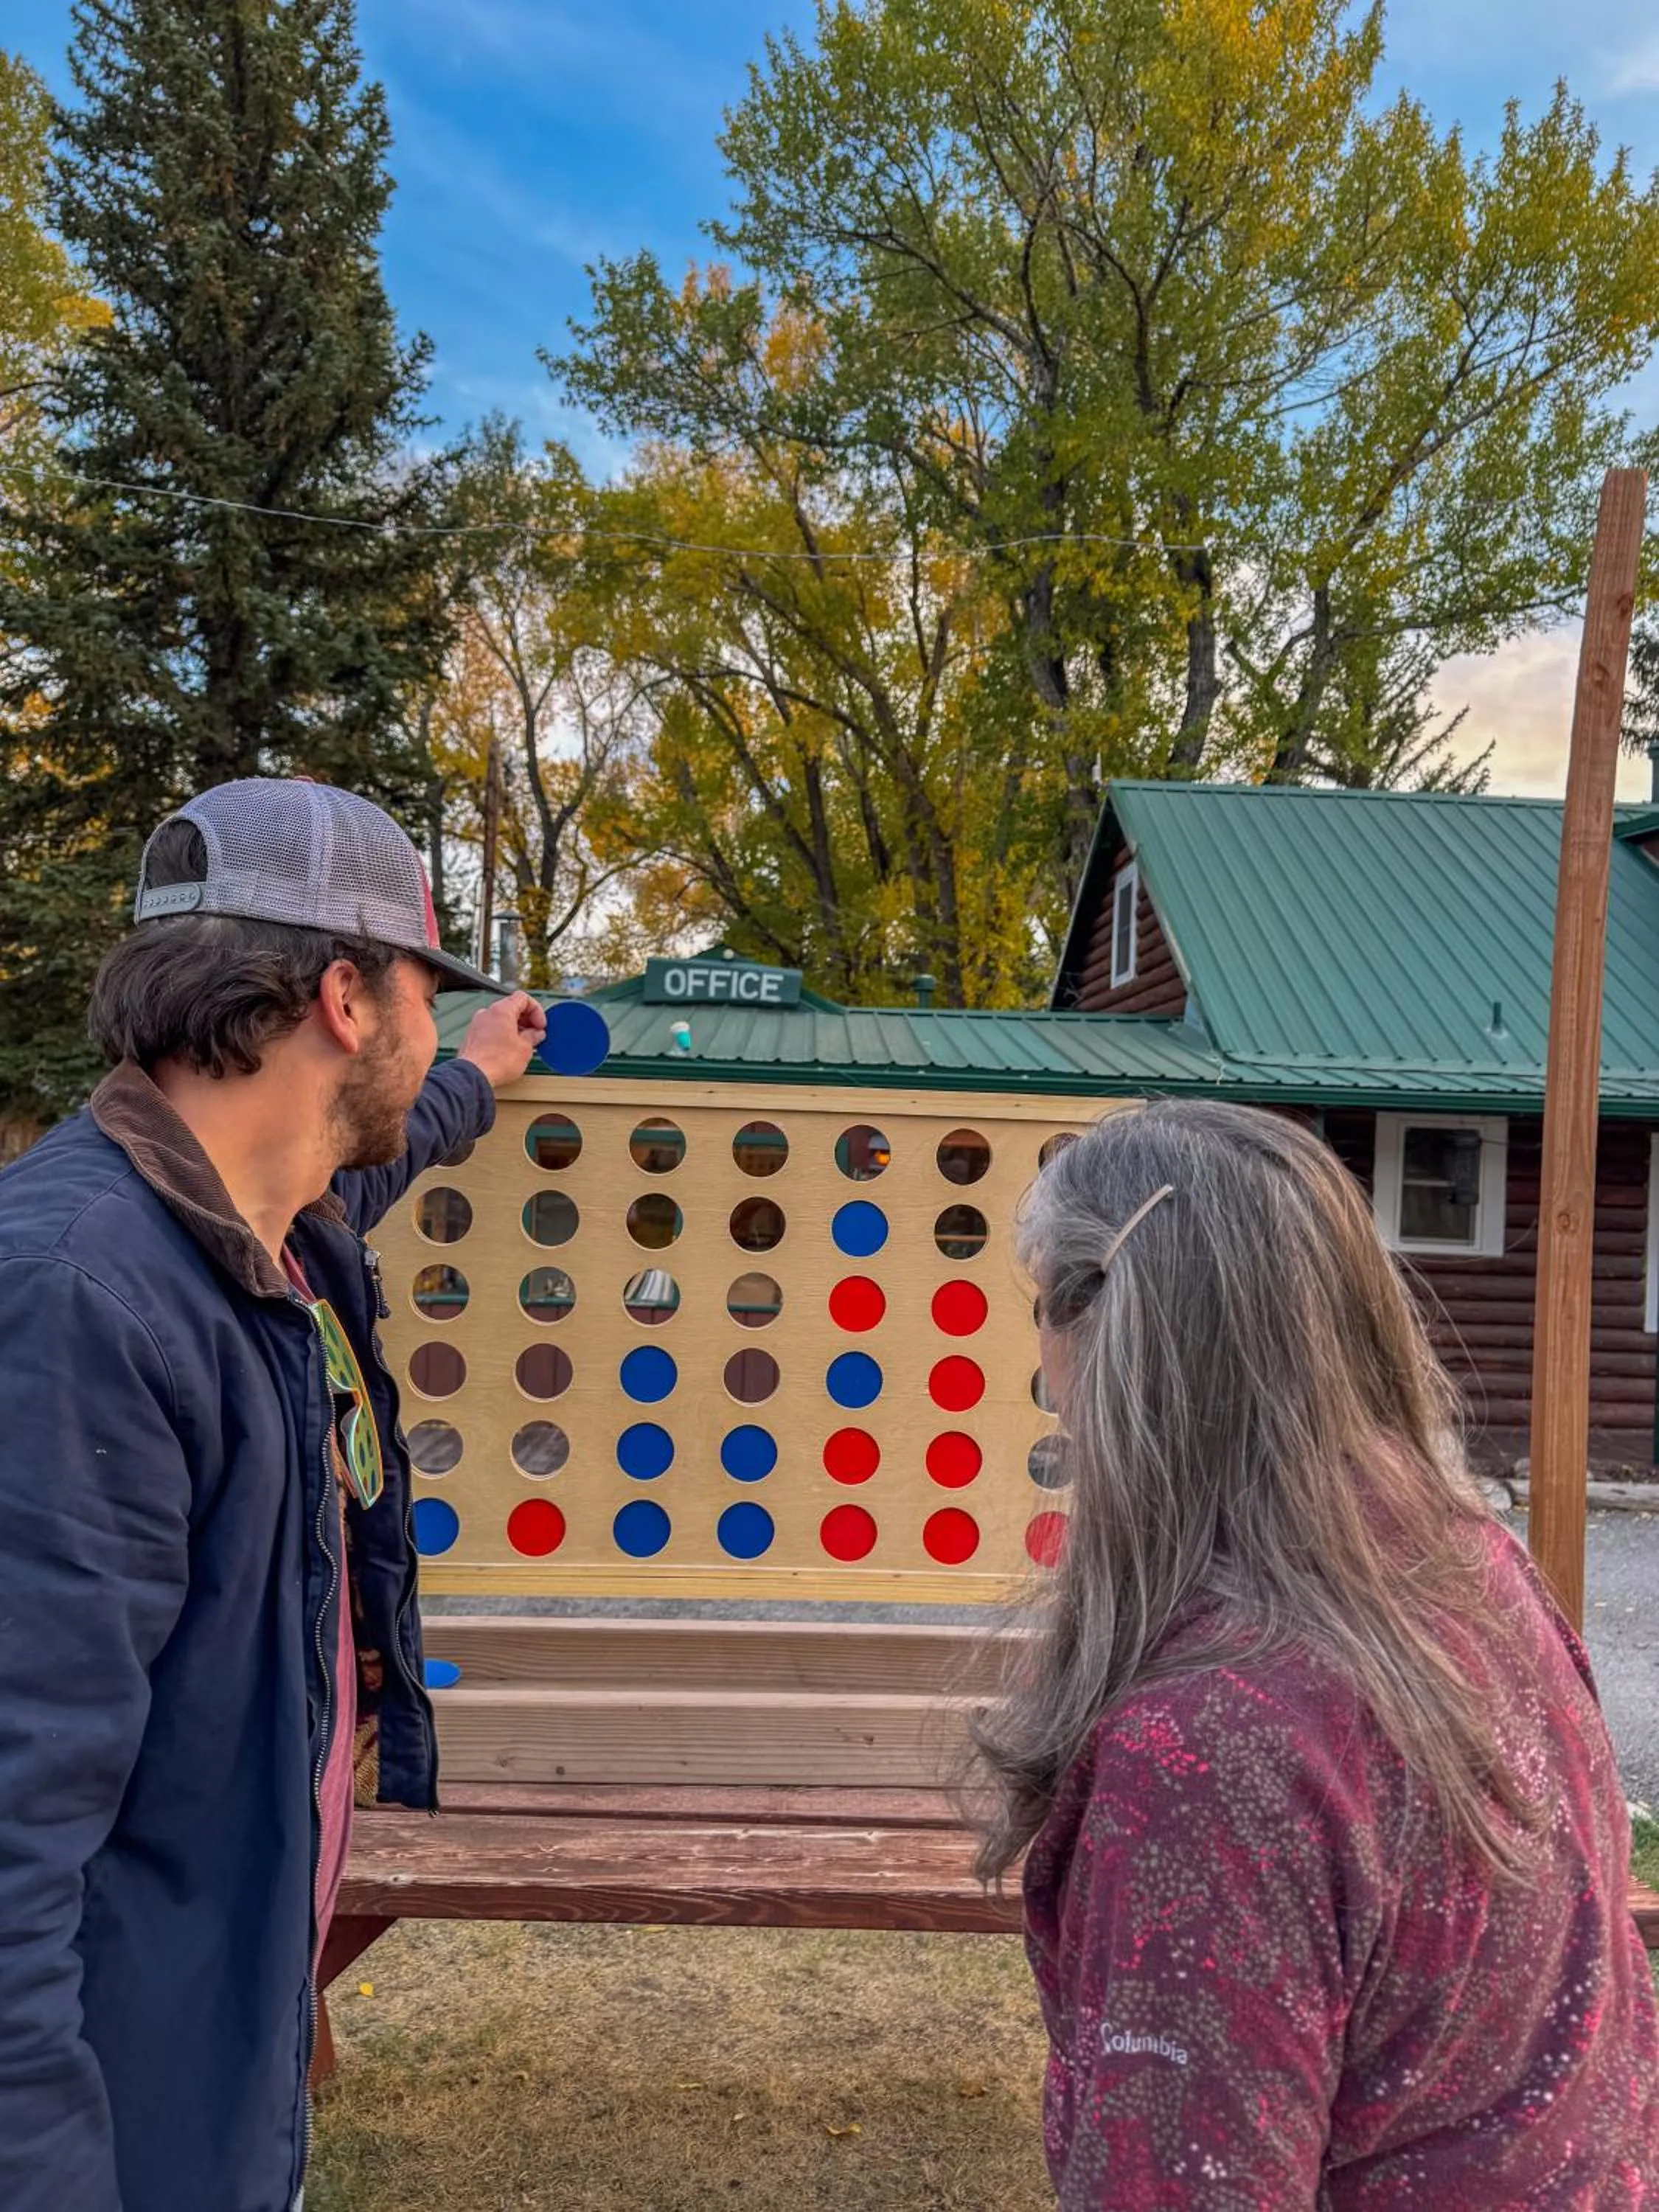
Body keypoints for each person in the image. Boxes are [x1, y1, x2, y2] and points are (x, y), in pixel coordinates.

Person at [0, 779, 546, 2212]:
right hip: (119, 2124)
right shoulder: (75, 1301)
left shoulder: (270, 1230)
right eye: (427, 991)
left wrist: (481, 1072)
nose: (430, 1028)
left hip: (213, 2077)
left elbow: (400, 1136)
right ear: (344, 1001)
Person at [972, 1099, 1658, 2208]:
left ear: (1108, 1324)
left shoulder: (1207, 1754)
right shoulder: (1469, 1563)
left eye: (1042, 1304)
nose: (1043, 1374)